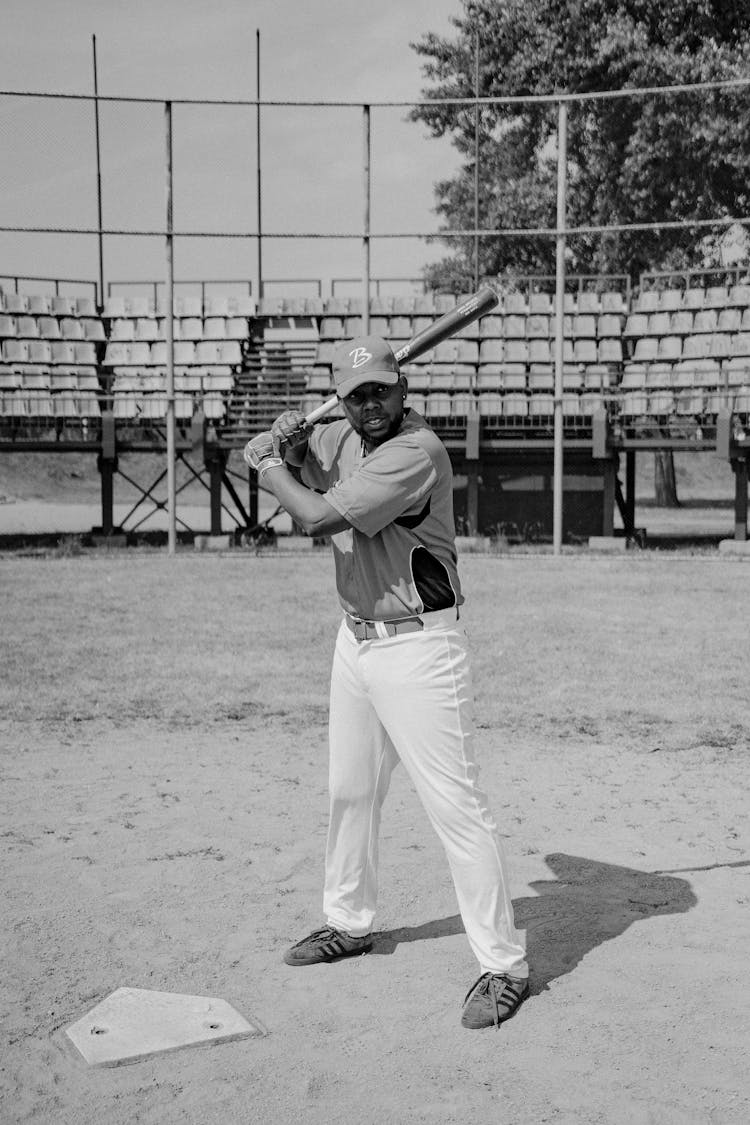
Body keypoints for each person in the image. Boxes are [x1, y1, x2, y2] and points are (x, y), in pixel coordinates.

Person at [244, 334, 528, 1029]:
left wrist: (263, 464)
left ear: (403, 389)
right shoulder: (341, 434)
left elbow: (313, 515)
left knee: (456, 807)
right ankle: (349, 919)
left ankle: (503, 963)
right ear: (340, 399)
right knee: (350, 789)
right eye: (356, 393)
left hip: (420, 650)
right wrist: (285, 442)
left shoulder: (417, 451)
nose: (371, 404)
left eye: (381, 389)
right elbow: (303, 460)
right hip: (357, 640)